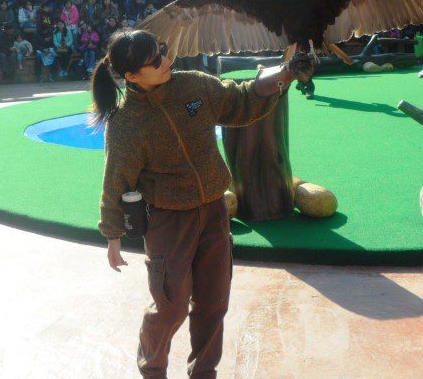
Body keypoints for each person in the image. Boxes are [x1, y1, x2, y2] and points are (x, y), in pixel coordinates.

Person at [91, 28, 308, 379]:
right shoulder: (126, 122)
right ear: (131, 76)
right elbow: (116, 179)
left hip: (213, 213)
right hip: (167, 221)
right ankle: (152, 368)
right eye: (153, 62)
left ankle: (204, 373)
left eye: (161, 53)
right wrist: (112, 233)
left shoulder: (193, 84)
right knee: (171, 306)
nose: (165, 62)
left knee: (213, 303)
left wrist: (283, 74)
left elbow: (240, 98)